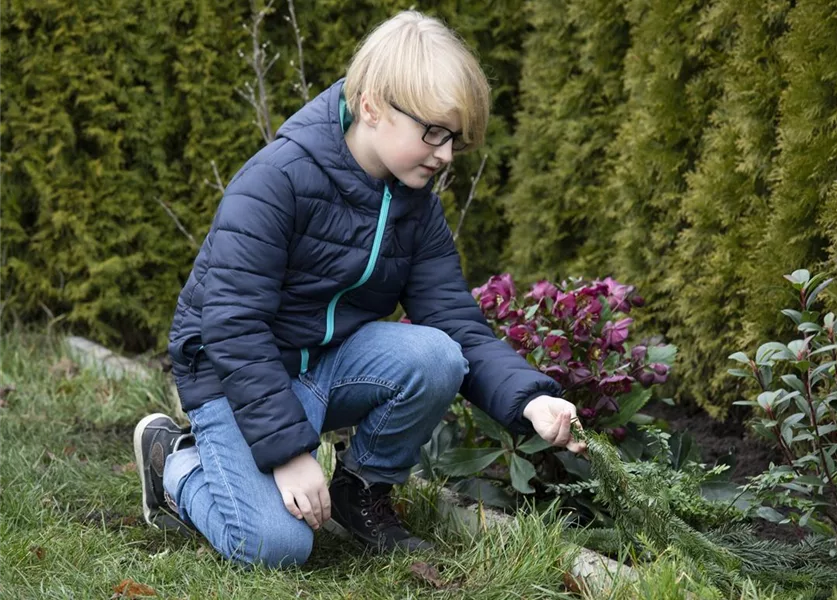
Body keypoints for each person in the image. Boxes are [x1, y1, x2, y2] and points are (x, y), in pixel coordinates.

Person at [133, 9, 586, 569]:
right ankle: (174, 461)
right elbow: (231, 324)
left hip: (323, 366)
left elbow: (453, 321)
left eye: (455, 140)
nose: (445, 154)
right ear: (372, 106)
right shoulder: (276, 180)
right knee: (276, 547)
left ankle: (361, 492)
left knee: (437, 356)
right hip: (234, 377)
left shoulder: (415, 204)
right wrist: (291, 453)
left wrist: (529, 398)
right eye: (434, 133)